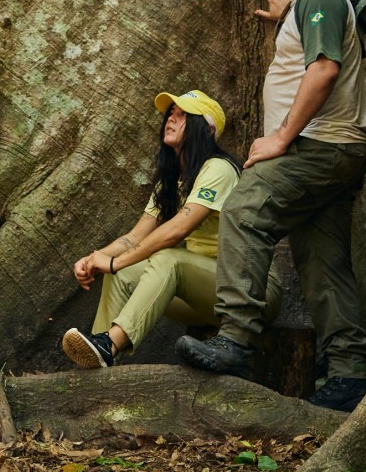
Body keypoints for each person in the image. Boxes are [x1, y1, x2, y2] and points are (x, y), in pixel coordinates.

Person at [176, 0, 366, 412]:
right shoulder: (309, 4)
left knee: (244, 210)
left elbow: (325, 69)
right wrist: (285, 18)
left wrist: (283, 137)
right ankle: (348, 376)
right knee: (323, 264)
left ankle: (237, 339)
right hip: (337, 152)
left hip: (319, 146)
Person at [62, 89, 260, 367]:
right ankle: (97, 360)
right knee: (121, 275)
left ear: (206, 128)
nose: (171, 119)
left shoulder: (219, 169)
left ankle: (109, 344)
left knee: (167, 259)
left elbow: (177, 230)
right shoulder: (172, 182)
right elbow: (134, 237)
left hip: (245, 292)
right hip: (204, 296)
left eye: (182, 115)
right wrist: (96, 258)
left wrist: (115, 261)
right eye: (170, 114)